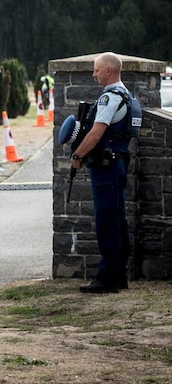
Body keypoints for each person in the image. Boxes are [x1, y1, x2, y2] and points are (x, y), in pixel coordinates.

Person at [69, 52, 134, 293]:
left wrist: (77, 156)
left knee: (106, 220)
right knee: (118, 219)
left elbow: (96, 133)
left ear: (108, 70)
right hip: (117, 163)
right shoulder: (125, 94)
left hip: (107, 166)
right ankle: (119, 276)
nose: (94, 74)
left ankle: (107, 279)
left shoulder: (110, 97)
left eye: (96, 70)